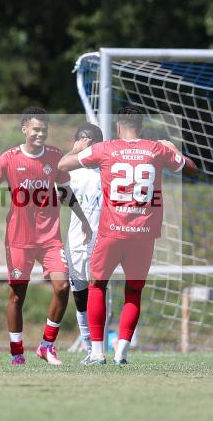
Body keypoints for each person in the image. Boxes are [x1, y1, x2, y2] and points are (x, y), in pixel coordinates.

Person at [58, 105, 199, 365]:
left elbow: (63, 165)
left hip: (112, 232)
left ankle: (98, 352)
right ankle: (122, 350)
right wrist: (175, 150)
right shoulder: (156, 149)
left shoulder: (106, 148)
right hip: (144, 234)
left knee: (97, 286)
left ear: (117, 125)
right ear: (142, 126)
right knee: (134, 292)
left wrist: (77, 150)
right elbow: (191, 168)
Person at [0, 107, 92, 366]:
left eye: (44, 129)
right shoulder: (9, 158)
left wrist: (82, 219)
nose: (40, 133)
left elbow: (66, 192)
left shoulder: (55, 157)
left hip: (49, 239)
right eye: (35, 129)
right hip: (18, 239)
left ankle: (47, 346)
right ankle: (17, 353)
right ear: (24, 129)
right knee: (16, 297)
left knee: (62, 286)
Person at [64, 123, 104, 354]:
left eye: (91, 141)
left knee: (99, 291)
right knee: (80, 295)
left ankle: (100, 347)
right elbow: (52, 173)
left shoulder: (108, 170)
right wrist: (73, 151)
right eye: (82, 140)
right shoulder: (72, 169)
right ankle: (89, 347)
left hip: (103, 241)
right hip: (77, 242)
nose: (86, 145)